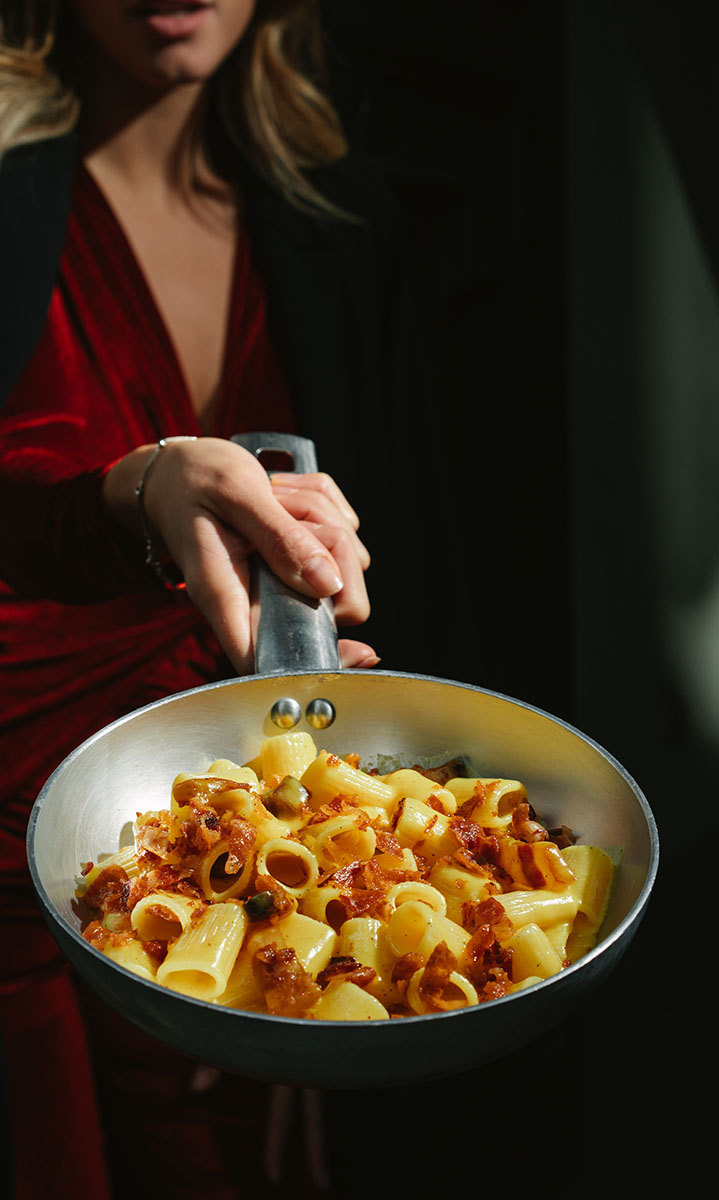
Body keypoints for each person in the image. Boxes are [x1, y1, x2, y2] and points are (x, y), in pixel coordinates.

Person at [0, 2, 427, 1195]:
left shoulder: (337, 221)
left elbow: (390, 535)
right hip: (8, 808)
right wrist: (130, 495)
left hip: (231, 829)